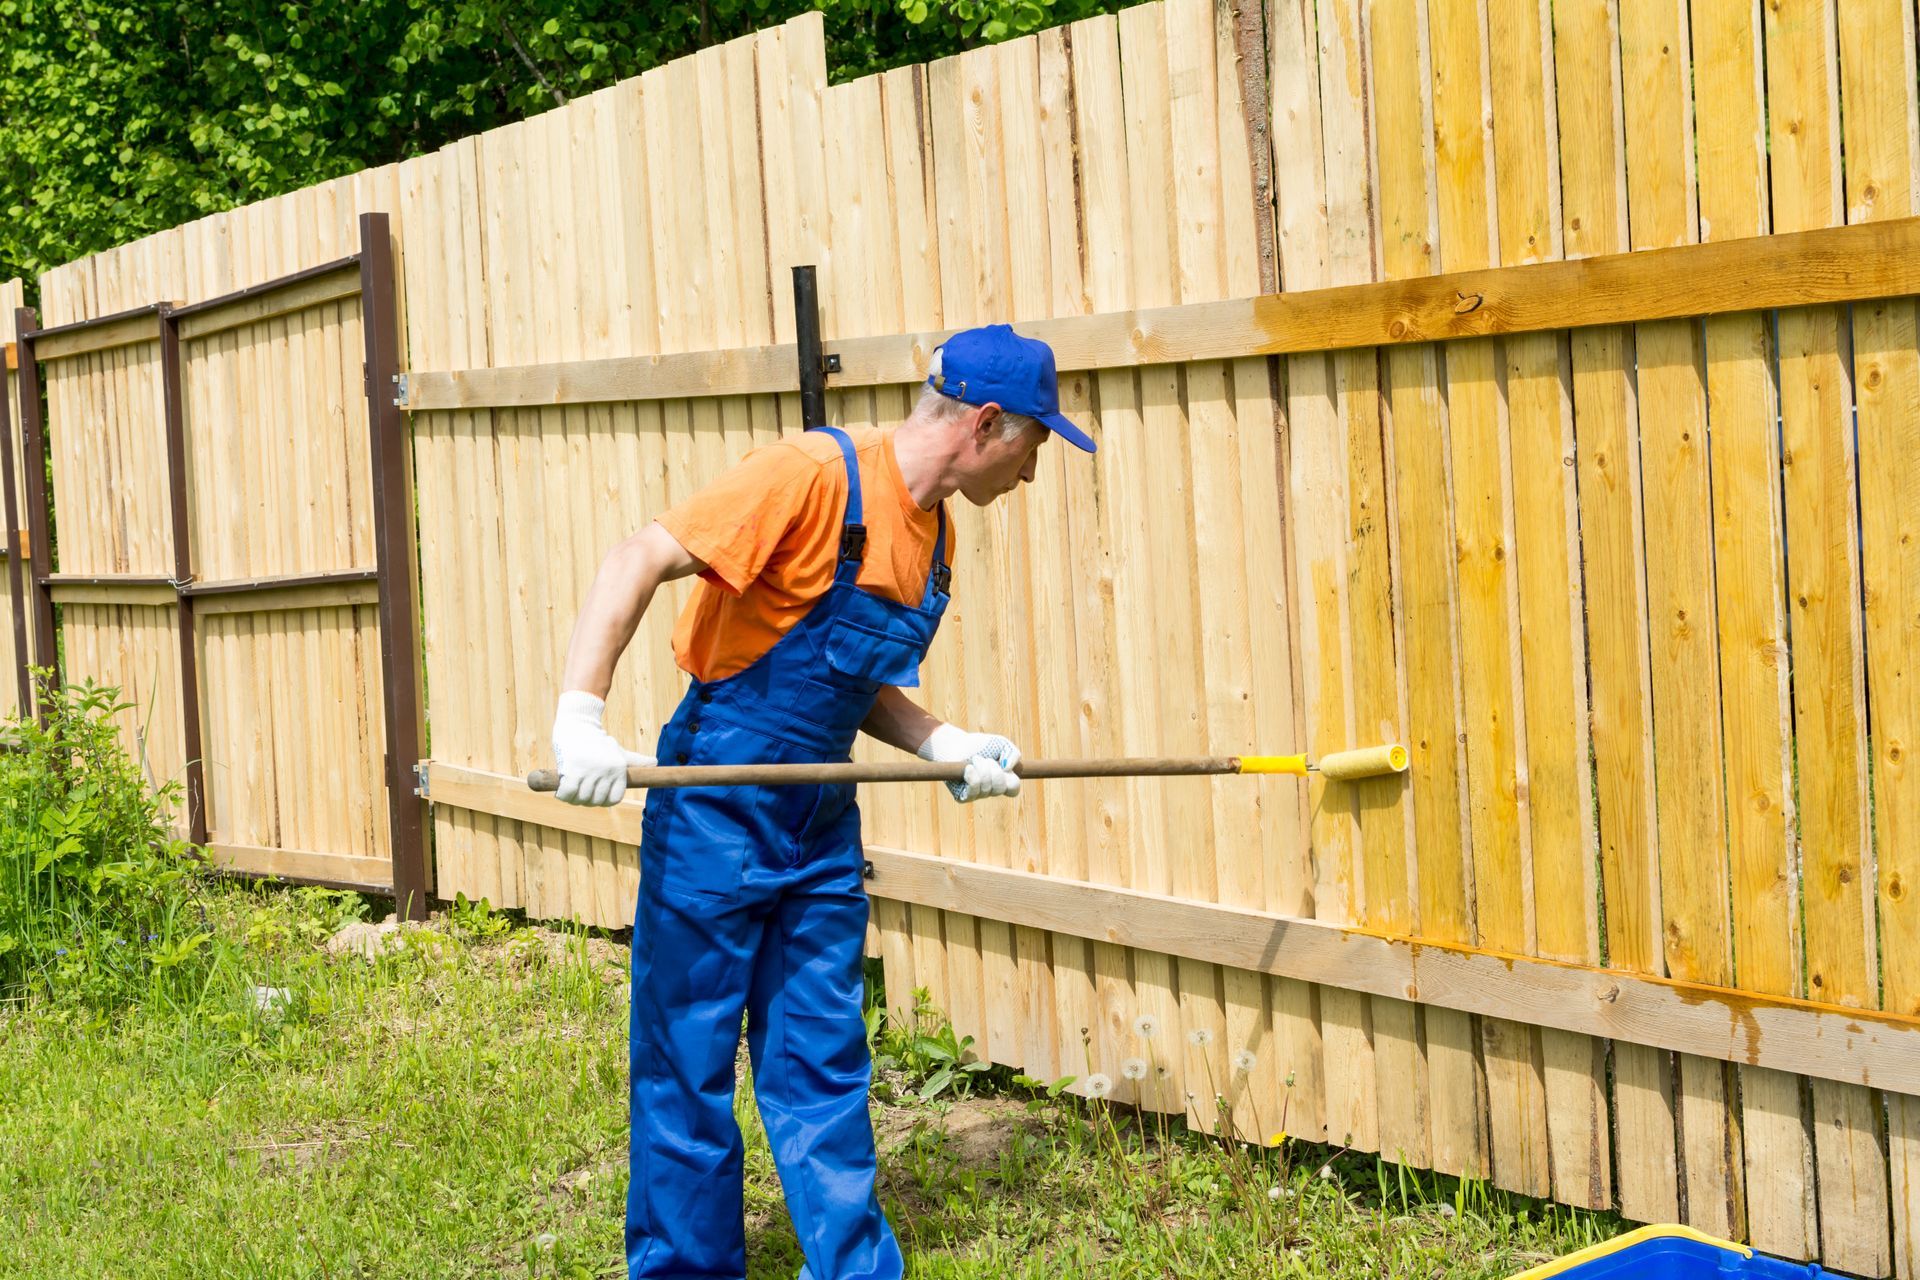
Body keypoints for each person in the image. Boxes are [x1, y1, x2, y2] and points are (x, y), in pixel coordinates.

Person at [547, 323, 1097, 1280]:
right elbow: (639, 555)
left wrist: (944, 743)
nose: (1035, 470)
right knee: (687, 1065)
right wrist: (579, 719)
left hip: (818, 819)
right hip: (716, 803)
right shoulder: (812, 475)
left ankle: (852, 1269)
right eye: (1034, 443)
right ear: (987, 421)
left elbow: (856, 682)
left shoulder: (935, 537)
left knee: (822, 1062)